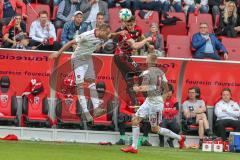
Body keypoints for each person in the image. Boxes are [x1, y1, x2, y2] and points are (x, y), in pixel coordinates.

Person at [121, 53, 185, 154]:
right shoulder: (161, 72)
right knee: (135, 120)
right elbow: (166, 88)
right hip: (151, 100)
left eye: (146, 58)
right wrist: (161, 100)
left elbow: (145, 87)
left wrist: (137, 88)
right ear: (156, 61)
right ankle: (134, 147)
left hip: (155, 103)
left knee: (155, 129)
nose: (146, 59)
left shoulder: (147, 72)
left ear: (148, 61)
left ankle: (180, 138)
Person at [49, 24, 111, 122]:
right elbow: (71, 42)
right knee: (80, 85)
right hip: (77, 59)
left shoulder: (102, 35)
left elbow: (112, 35)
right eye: (106, 34)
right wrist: (58, 53)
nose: (107, 37)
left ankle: (96, 109)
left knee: (92, 82)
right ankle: (86, 113)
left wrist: (120, 33)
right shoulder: (87, 35)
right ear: (100, 30)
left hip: (88, 59)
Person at [111, 16, 153, 105]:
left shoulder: (138, 29)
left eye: (131, 25)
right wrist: (147, 40)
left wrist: (149, 45)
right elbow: (135, 46)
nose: (129, 27)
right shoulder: (125, 32)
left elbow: (141, 36)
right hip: (121, 57)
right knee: (140, 73)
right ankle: (147, 99)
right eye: (128, 25)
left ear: (134, 22)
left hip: (122, 57)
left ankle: (135, 104)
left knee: (129, 81)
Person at [159, 83, 180, 148]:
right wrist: (170, 110)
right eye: (166, 91)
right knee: (162, 126)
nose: (168, 93)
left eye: (169, 91)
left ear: (172, 91)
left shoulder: (175, 100)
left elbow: (176, 111)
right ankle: (161, 141)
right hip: (162, 118)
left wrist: (165, 110)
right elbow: (160, 111)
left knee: (177, 128)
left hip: (171, 118)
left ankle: (170, 140)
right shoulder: (160, 99)